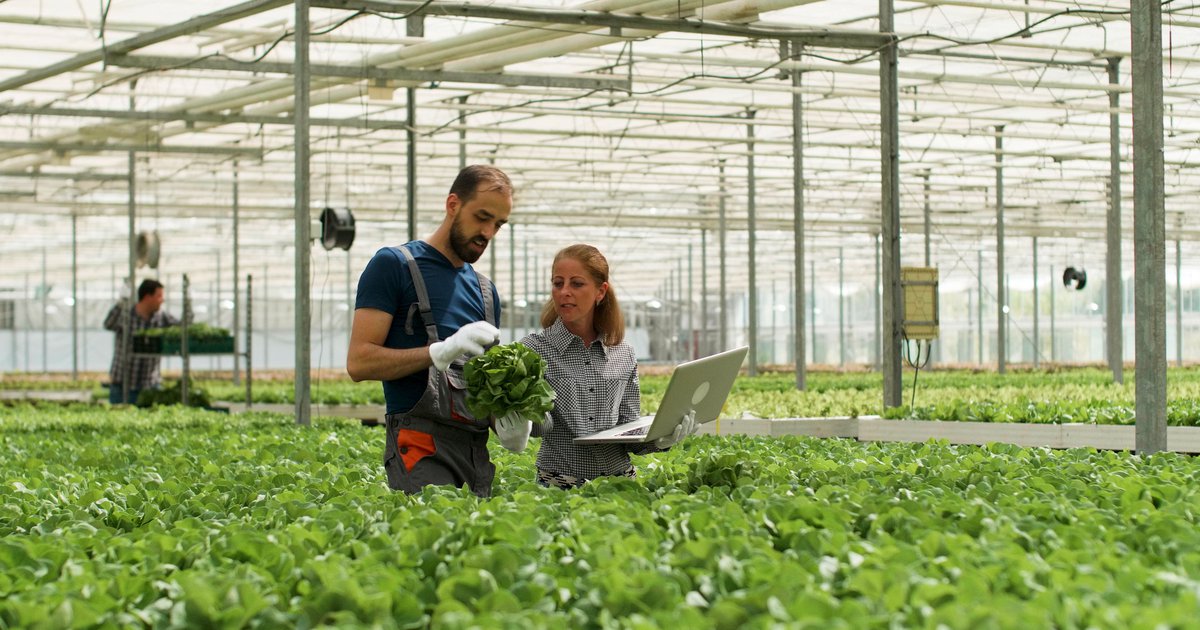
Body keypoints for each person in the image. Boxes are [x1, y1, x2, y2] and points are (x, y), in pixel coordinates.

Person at [347, 165, 513, 498]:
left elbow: (483, 388)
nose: (488, 232)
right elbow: (359, 362)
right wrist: (438, 352)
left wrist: (511, 420)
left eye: (498, 224)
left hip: (475, 452)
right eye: (482, 217)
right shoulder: (394, 265)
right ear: (453, 205)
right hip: (420, 445)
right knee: (433, 527)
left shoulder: (485, 292)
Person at [515, 244, 698, 490]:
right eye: (558, 283)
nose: (564, 292)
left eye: (576, 284)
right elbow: (539, 427)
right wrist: (517, 411)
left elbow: (628, 428)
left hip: (621, 485)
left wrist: (662, 438)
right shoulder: (533, 350)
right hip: (559, 487)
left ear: (600, 291)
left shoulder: (623, 353)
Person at [104, 279, 180, 404]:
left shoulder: (162, 317)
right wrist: (122, 301)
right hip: (122, 385)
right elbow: (108, 324)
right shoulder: (126, 315)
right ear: (147, 297)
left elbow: (185, 327)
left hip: (150, 386)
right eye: (159, 296)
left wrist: (188, 303)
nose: (162, 300)